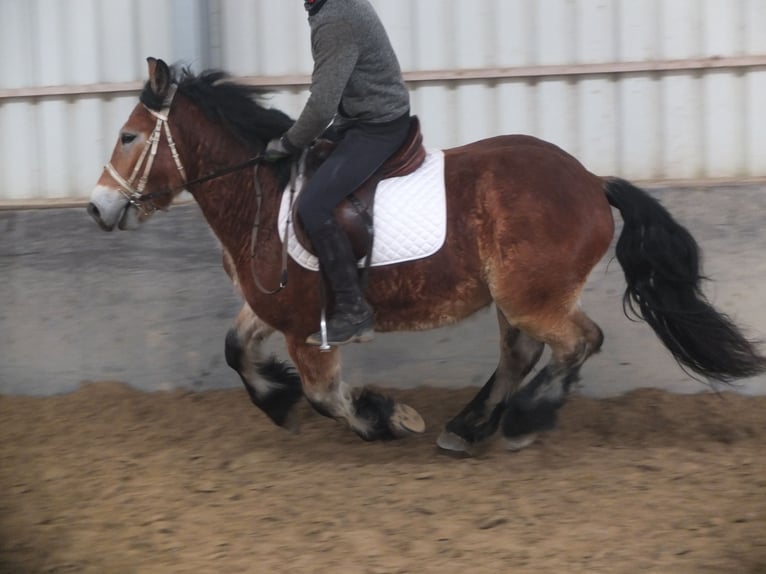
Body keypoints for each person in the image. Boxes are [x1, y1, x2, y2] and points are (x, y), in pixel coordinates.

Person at [264, 0, 411, 347]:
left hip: (377, 126)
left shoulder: (335, 19)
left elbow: (321, 106)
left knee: (313, 206)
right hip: (356, 120)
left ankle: (353, 309)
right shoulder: (334, 8)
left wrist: (288, 143)